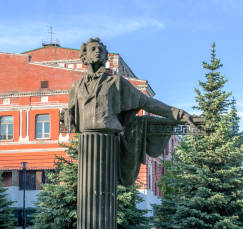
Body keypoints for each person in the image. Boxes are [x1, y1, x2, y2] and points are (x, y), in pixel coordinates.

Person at [64, 37, 204, 186]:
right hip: (87, 140)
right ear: (85, 56)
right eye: (93, 49)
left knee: (103, 187)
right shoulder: (76, 87)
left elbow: (148, 103)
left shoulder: (116, 82)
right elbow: (71, 112)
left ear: (105, 57)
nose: (97, 51)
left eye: (101, 49)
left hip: (109, 140)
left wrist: (180, 114)